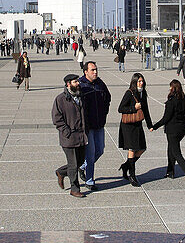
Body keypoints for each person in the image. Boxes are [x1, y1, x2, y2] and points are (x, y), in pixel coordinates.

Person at [151, 79, 185, 184]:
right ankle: (170, 171)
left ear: (172, 88)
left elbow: (166, 118)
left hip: (172, 129)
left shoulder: (171, 102)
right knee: (170, 149)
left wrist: (155, 126)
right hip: (182, 128)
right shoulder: (184, 99)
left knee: (176, 152)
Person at [51, 73, 87, 198]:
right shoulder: (61, 99)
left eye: (78, 81)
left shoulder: (81, 96)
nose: (78, 84)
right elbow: (57, 119)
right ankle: (74, 188)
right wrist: (67, 132)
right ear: (68, 84)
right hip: (69, 138)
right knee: (73, 164)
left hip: (81, 136)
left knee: (80, 161)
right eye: (75, 82)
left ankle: (61, 172)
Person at [78, 61, 111, 190]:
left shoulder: (100, 83)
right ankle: (90, 181)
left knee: (100, 150)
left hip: (99, 123)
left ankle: (82, 166)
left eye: (96, 69)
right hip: (88, 126)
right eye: (92, 70)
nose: (95, 72)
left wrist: (104, 113)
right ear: (86, 72)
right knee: (90, 153)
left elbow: (108, 98)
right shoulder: (82, 86)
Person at [117, 73, 152, 186]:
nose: (141, 83)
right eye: (139, 81)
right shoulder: (129, 93)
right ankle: (132, 176)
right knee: (132, 149)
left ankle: (126, 166)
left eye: (142, 81)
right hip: (128, 125)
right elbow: (120, 108)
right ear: (134, 82)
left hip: (138, 124)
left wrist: (150, 125)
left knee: (142, 148)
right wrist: (134, 108)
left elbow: (145, 110)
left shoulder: (143, 93)